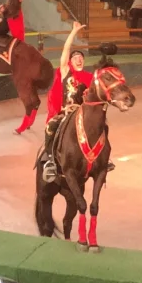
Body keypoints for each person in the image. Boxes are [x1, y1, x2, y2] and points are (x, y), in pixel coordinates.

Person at [39, 22, 101, 179]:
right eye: (75, 58)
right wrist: (73, 32)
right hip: (65, 113)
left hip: (82, 115)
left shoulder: (89, 78)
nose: (79, 60)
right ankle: (50, 159)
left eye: (81, 58)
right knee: (51, 126)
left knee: (100, 128)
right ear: (70, 61)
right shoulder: (66, 72)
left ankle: (102, 159)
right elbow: (66, 49)